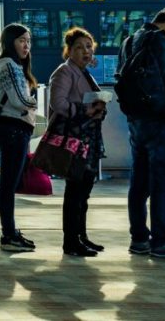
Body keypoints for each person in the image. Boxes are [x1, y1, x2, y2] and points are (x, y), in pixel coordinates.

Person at [118, 7, 165, 259]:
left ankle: (139, 239)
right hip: (158, 119)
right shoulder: (157, 39)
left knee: (138, 184)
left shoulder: (129, 40)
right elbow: (163, 73)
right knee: (161, 184)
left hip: (136, 120)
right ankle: (161, 241)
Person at [49, 28, 106, 257]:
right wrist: (86, 109)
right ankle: (71, 241)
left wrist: (99, 108)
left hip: (88, 136)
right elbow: (58, 104)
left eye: (89, 46)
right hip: (74, 137)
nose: (85, 51)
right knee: (75, 191)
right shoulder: (64, 73)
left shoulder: (84, 73)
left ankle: (81, 236)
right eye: (80, 47)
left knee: (84, 191)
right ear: (69, 51)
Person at [0, 23, 39, 253]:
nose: (26, 45)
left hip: (16, 129)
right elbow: (19, 100)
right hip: (12, 130)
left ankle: (10, 232)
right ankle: (8, 234)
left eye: (28, 40)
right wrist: (35, 102)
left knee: (10, 183)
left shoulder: (15, 66)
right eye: (21, 40)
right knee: (8, 184)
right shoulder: (8, 65)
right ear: (10, 42)